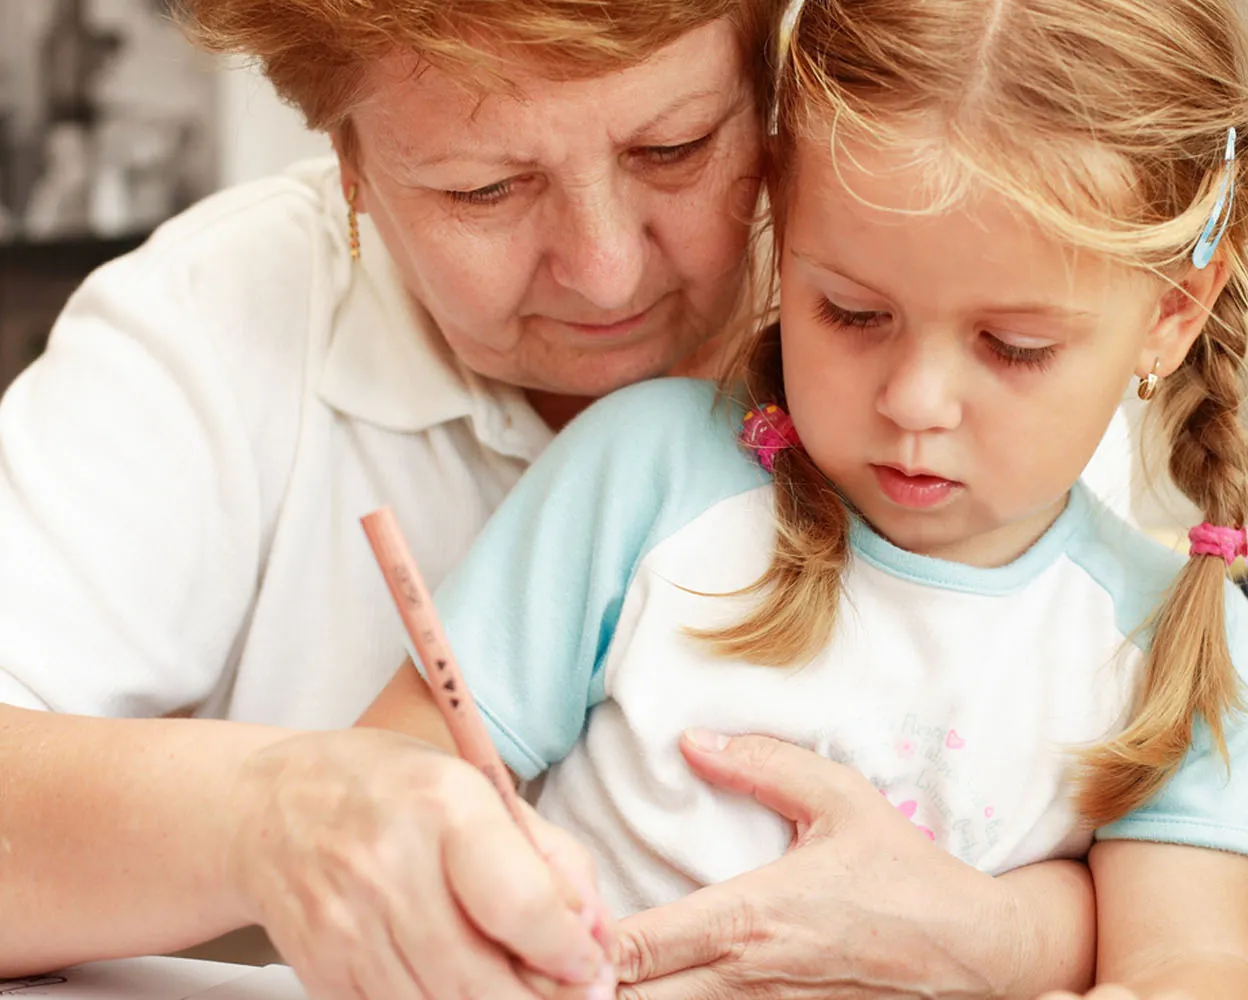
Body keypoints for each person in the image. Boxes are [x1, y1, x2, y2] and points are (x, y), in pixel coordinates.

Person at [0, 1, 1148, 998]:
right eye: (483, 188)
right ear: (347, 162)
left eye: (675, 148)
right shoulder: (206, 331)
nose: (604, 267)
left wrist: (1006, 939)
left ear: (770, 88)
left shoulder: (983, 348)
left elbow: (1217, 879)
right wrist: (268, 818)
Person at [361, 0, 1248, 996]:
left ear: (1172, 314)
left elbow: (1195, 968)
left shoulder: (1169, 642)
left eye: (1012, 346)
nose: (914, 400)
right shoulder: (645, 477)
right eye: (850, 312)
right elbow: (385, 786)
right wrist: (466, 870)